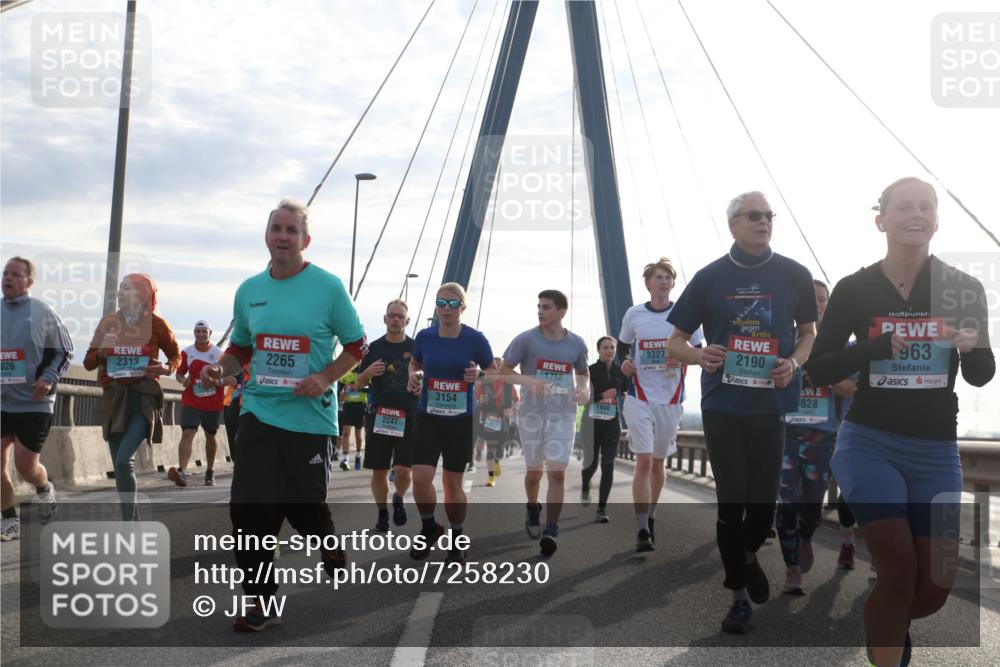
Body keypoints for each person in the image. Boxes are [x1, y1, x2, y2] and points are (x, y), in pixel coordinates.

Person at [804, 177, 994, 666]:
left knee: (931, 590)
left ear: (935, 219)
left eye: (925, 206)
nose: (916, 214)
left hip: (935, 451)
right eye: (904, 206)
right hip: (869, 442)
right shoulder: (854, 288)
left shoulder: (963, 287)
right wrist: (871, 348)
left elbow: (981, 374)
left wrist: (973, 347)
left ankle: (887, 625)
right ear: (880, 220)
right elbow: (819, 367)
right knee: (897, 570)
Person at [199, 198, 367, 632]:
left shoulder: (328, 288)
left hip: (310, 419)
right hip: (258, 410)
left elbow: (357, 346)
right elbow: (241, 348)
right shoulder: (249, 290)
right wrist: (223, 369)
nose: (283, 237)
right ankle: (261, 602)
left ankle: (327, 543)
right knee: (250, 510)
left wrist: (326, 377)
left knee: (305, 510)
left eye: (292, 230)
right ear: (267, 236)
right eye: (277, 228)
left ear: (305, 240)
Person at [667, 191, 818, 634]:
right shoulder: (710, 277)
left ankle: (749, 555)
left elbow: (808, 334)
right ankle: (737, 598)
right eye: (754, 216)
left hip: (771, 405)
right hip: (723, 404)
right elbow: (676, 341)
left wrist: (795, 362)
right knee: (732, 502)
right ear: (733, 224)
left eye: (769, 215)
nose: (764, 221)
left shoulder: (795, 273)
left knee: (762, 508)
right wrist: (698, 355)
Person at [776, 280, 856, 594]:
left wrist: (823, 373)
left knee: (811, 502)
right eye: (810, 300)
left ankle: (806, 536)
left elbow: (852, 388)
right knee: (787, 501)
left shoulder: (841, 346)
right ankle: (792, 568)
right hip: (784, 432)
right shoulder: (782, 342)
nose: (816, 304)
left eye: (821, 299)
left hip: (822, 435)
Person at [619, 258, 703, 551]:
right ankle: (642, 527)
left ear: (673, 282)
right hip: (639, 395)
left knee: (657, 462)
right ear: (648, 283)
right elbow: (622, 347)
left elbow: (699, 352)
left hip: (670, 398)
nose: (663, 281)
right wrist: (625, 363)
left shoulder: (685, 313)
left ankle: (652, 516)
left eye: (668, 277)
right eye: (658, 277)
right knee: (643, 460)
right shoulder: (634, 314)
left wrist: (682, 355)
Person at [407, 283, 494, 565]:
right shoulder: (425, 336)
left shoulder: (475, 339)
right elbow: (415, 364)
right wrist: (415, 375)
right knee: (420, 479)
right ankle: (430, 527)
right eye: (441, 303)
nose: (446, 308)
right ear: (435, 306)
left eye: (453, 304)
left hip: (460, 420)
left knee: (452, 483)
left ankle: (457, 539)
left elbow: (493, 373)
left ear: (463, 308)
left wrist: (478, 374)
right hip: (428, 416)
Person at [83, 273, 181, 520]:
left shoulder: (157, 324)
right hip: (115, 399)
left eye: (126, 288)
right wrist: (103, 351)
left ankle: (128, 524)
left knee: (125, 460)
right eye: (119, 288)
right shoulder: (108, 322)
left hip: (143, 399)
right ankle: (133, 521)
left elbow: (176, 357)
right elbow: (87, 362)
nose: (119, 293)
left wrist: (167, 368)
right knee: (118, 464)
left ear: (142, 294)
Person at [500, 290, 589, 557]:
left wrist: (584, 390)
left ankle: (551, 528)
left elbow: (583, 374)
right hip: (531, 414)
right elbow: (503, 372)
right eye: (538, 306)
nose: (540, 311)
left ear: (561, 312)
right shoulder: (526, 340)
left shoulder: (576, 343)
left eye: (546, 307)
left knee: (557, 472)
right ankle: (532, 505)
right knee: (534, 473)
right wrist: (529, 382)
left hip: (563, 414)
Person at [1, 257, 74, 540]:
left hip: (34, 401)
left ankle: (44, 488)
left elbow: (65, 352)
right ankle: (9, 520)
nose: (8, 278)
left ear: (29, 282)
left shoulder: (42, 312)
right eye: (5, 273)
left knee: (25, 467)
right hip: (1, 400)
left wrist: (48, 378)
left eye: (15, 275)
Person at [356, 299, 415, 532]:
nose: (396, 320)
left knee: (404, 470)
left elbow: (427, 378)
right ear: (384, 319)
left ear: (407, 321)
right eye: (392, 315)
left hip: (409, 416)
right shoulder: (373, 349)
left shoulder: (416, 347)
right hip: (380, 415)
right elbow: (358, 384)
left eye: (400, 316)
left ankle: (398, 497)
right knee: (379, 471)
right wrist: (368, 372)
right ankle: (382, 513)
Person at [170, 321, 233, 487]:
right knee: (187, 432)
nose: (201, 335)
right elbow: (179, 374)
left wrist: (215, 382)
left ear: (210, 333)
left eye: (204, 332)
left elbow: (230, 378)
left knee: (210, 436)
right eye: (198, 332)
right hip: (192, 399)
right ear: (194, 333)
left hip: (212, 402)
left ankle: (210, 471)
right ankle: (182, 472)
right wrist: (184, 381)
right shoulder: (187, 352)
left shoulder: (219, 353)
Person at [580, 335, 628, 523]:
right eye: (605, 348)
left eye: (612, 348)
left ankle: (601, 509)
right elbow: (582, 398)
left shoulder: (620, 372)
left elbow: (624, 390)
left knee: (608, 466)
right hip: (591, 424)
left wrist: (624, 395)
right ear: (598, 350)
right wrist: (602, 395)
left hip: (612, 424)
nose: (609, 351)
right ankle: (585, 485)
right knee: (590, 465)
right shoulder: (589, 371)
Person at [475, 357, 517, 488]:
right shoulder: (485, 383)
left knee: (501, 449)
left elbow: (516, 401)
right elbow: (479, 400)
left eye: (500, 367)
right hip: (490, 418)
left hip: (504, 419)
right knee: (491, 448)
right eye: (495, 367)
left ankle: (498, 460)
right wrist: (481, 402)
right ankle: (491, 476)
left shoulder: (508, 383)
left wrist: (512, 410)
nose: (497, 369)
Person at [337, 369, 367, 471]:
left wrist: (358, 387)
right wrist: (341, 395)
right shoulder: (346, 374)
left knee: (358, 436)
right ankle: (345, 459)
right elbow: (339, 393)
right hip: (348, 406)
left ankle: (358, 456)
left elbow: (370, 388)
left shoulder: (365, 374)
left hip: (360, 406)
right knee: (346, 433)